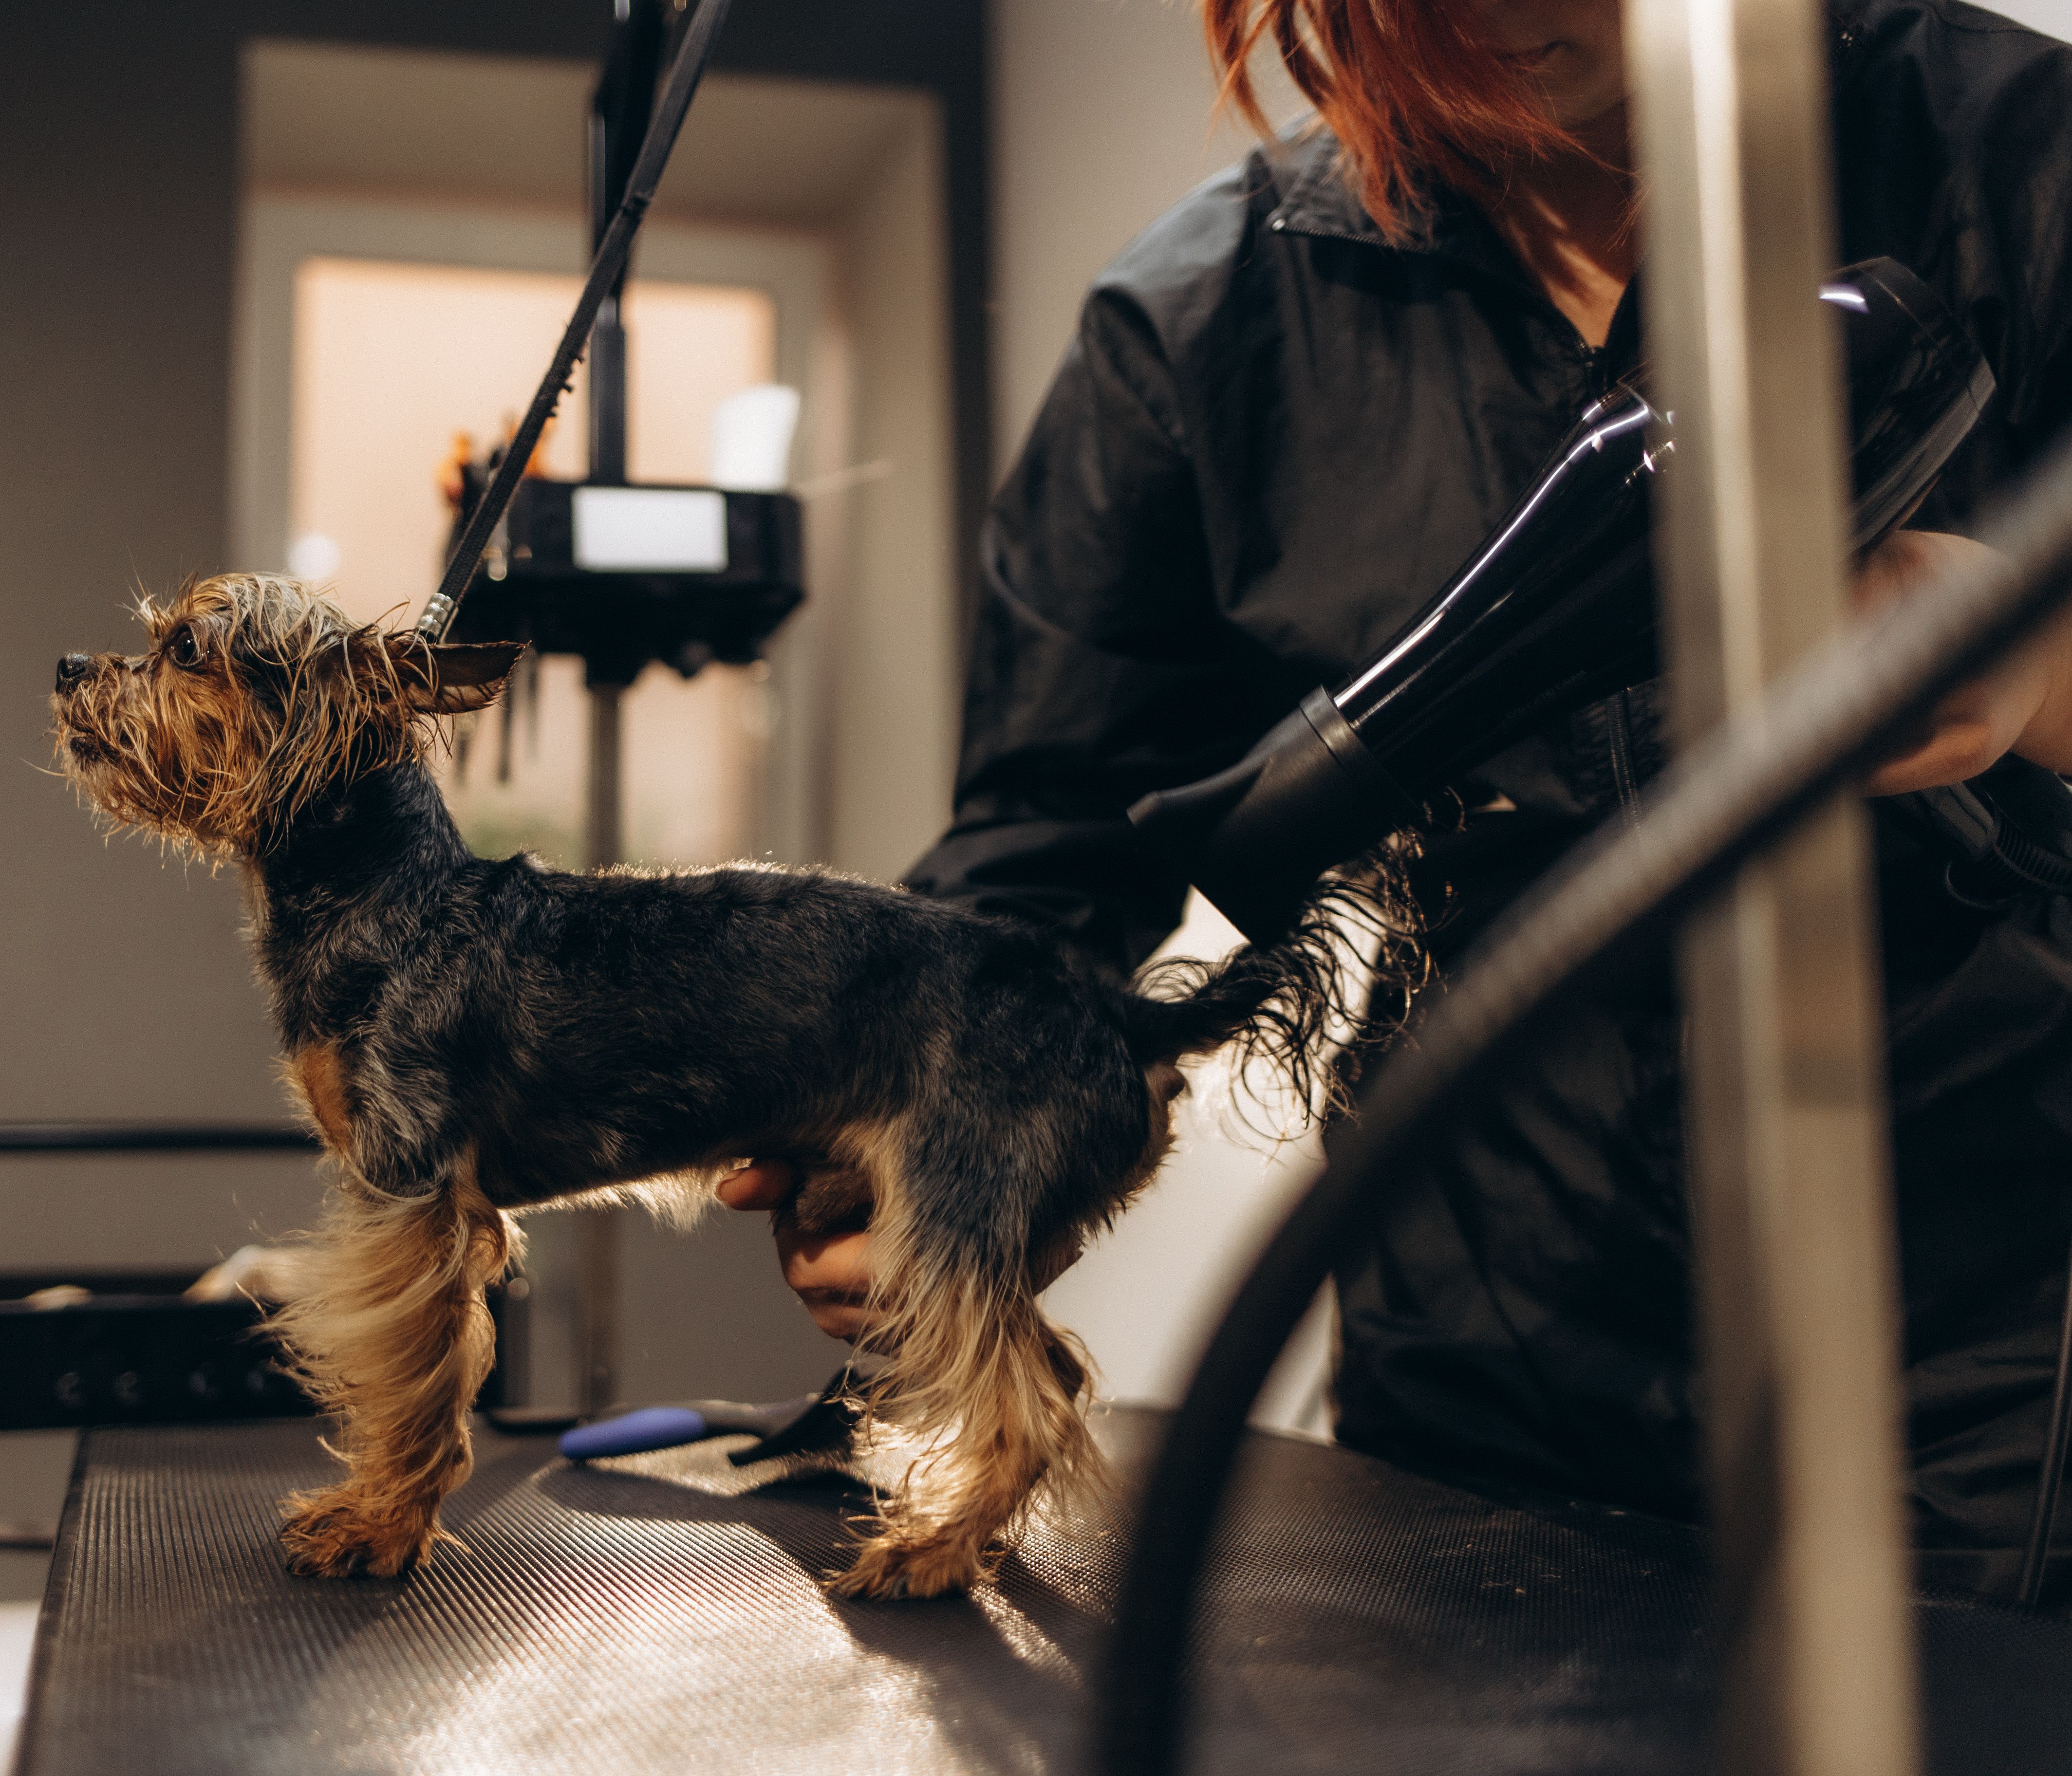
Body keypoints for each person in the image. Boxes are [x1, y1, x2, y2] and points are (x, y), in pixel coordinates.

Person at [719, 0, 2072, 1599]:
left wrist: (2036, 674)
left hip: (1985, 1337)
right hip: (1479, 1331)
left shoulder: (2015, 159)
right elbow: (1045, 860)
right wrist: (952, 1123)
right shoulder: (1201, 329)